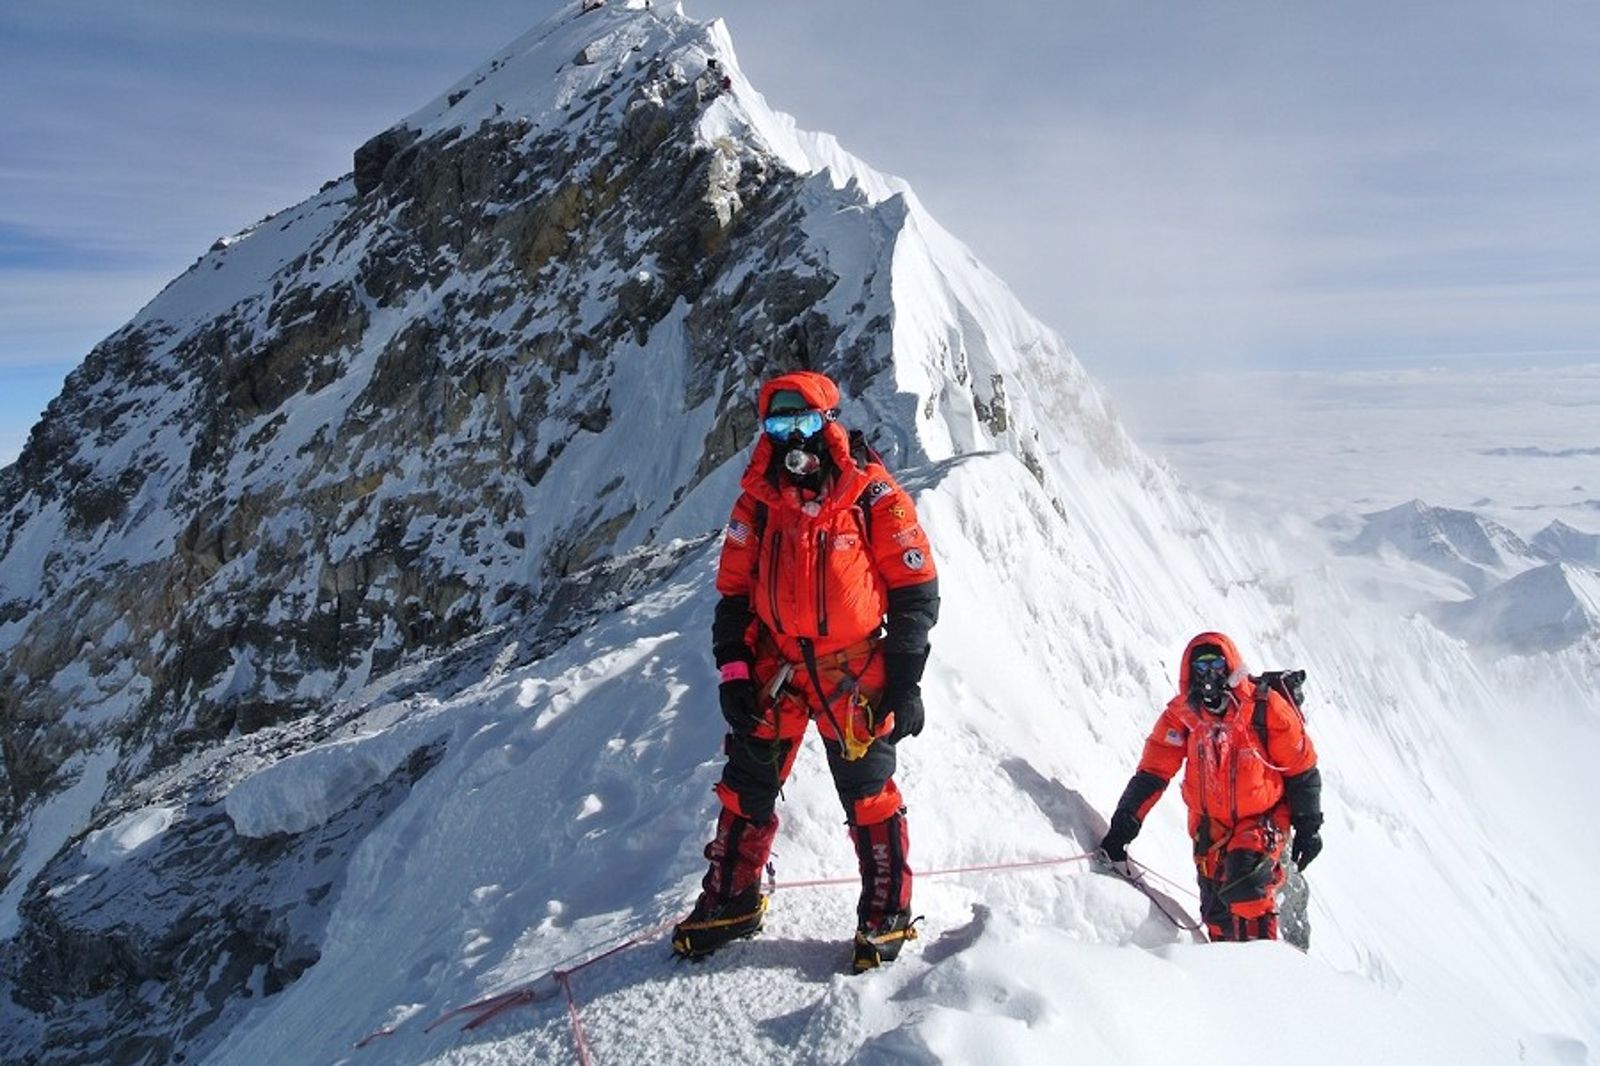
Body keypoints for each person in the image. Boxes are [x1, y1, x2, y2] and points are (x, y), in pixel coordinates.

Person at [671, 371, 940, 972]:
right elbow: (734, 595)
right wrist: (736, 670)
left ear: (828, 422)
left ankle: (885, 914)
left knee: (869, 792)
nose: (791, 435)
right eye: (777, 423)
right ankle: (732, 898)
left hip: (853, 670)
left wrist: (904, 678)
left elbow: (916, 589)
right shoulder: (758, 502)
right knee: (746, 786)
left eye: (803, 421)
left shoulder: (872, 496)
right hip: (776, 666)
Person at [1097, 632, 1323, 942]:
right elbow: (1153, 771)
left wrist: (1308, 827)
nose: (1209, 675)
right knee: (1217, 912)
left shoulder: (1264, 707)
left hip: (1262, 818)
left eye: (1216, 664)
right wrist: (1126, 821)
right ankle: (1223, 981)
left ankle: (1266, 973)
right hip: (1209, 826)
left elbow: (1302, 768)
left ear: (1230, 666)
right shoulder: (1182, 717)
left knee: (1246, 887)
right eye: (1200, 668)